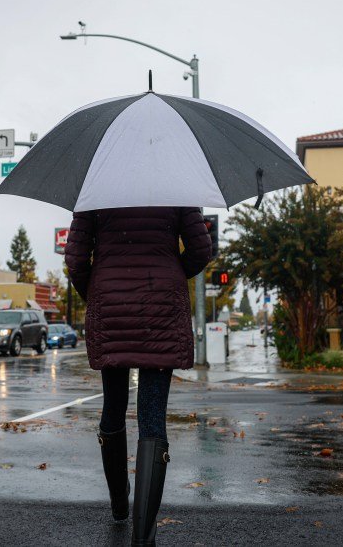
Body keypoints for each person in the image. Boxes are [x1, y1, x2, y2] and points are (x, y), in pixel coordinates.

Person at [65, 206, 212, 546]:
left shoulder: (95, 189)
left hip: (111, 306)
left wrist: (99, 291)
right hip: (161, 309)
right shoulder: (176, 186)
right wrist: (172, 273)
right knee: (152, 416)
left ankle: (119, 505)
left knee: (113, 406)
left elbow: (75, 258)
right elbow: (201, 250)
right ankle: (144, 536)